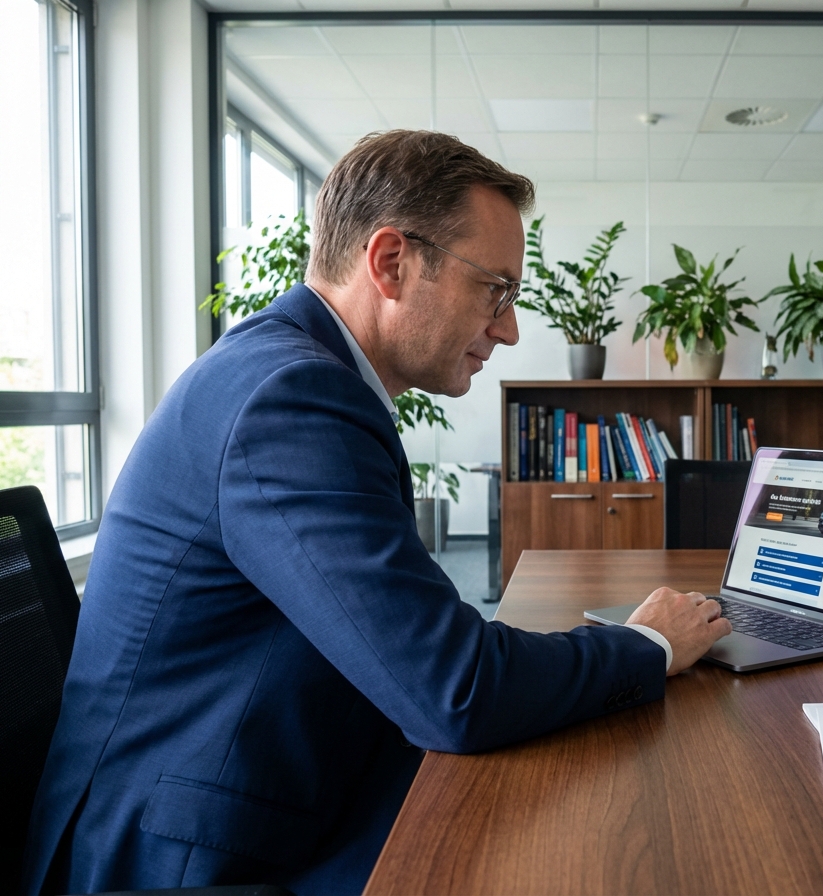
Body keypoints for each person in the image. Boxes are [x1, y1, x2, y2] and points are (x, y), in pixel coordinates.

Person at [22, 130, 731, 896]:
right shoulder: (289, 400)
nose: (509, 327)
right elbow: (454, 691)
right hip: (183, 861)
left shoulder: (298, 374)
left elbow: (414, 647)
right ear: (391, 262)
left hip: (268, 793)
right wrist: (646, 644)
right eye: (495, 289)